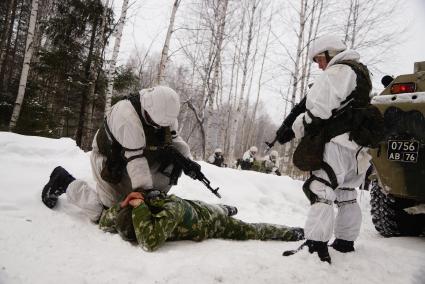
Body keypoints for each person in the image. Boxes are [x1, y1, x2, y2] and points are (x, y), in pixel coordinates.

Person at [277, 35, 381, 263]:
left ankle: (315, 245)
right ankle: (345, 242)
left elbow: (318, 111)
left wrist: (295, 128)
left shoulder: (338, 71)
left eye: (319, 59)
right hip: (356, 147)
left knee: (321, 190)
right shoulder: (360, 72)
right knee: (346, 194)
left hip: (336, 143)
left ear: (330, 52)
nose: (318, 65)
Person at [41, 86, 196, 222]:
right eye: (156, 124)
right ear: (148, 108)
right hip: (109, 161)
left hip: (132, 161)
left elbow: (174, 140)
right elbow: (136, 161)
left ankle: (148, 197)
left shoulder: (164, 116)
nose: (158, 127)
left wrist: (188, 161)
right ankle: (64, 181)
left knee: (171, 164)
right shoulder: (127, 117)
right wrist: (144, 195)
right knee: (110, 214)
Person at [99, 191, 305, 252]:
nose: (138, 236)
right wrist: (125, 203)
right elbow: (105, 222)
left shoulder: (171, 209)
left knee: (250, 229)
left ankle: (291, 232)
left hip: (211, 221)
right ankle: (227, 208)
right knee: (215, 207)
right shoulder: (139, 216)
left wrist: (140, 208)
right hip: (195, 208)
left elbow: (149, 243)